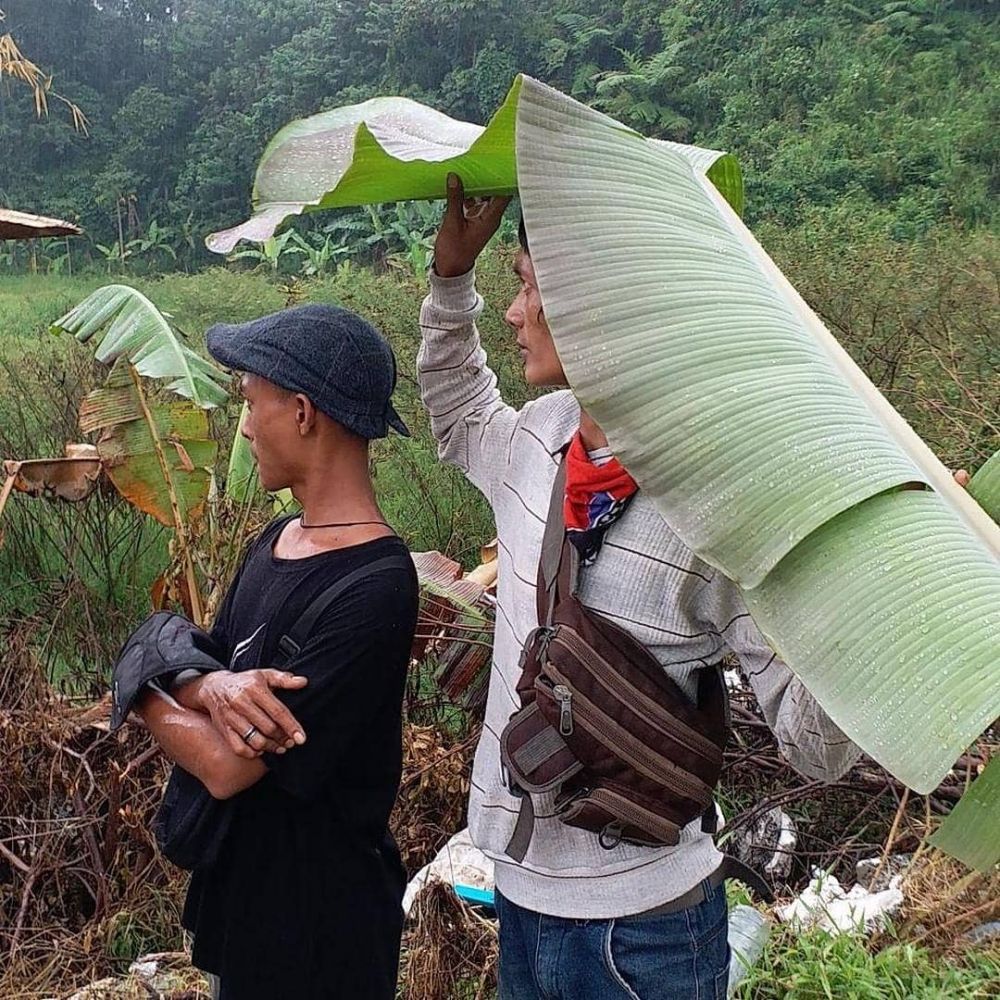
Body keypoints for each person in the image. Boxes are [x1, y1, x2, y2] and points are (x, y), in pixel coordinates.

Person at [418, 175, 864, 999]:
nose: (514, 313)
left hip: (647, 934)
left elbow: (817, 745)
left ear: (596, 306)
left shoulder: (718, 506)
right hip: (516, 897)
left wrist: (866, 582)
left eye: (527, 288)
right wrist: (452, 279)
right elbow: (455, 408)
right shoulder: (537, 441)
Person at [134, 304, 419, 1000]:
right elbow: (204, 661)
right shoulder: (276, 542)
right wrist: (207, 688)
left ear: (301, 412)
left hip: (324, 940)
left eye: (251, 400)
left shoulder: (376, 585)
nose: (244, 424)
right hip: (249, 914)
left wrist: (143, 692)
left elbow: (231, 767)